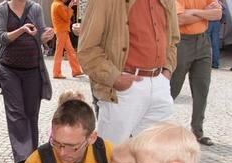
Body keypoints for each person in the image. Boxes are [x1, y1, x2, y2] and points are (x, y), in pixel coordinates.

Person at [77, 0, 180, 145]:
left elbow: (173, 38)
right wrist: (116, 79)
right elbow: (87, 50)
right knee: (111, 154)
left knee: (158, 153)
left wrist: (167, 70)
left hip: (159, 84)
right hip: (123, 87)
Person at [0, 0, 54, 163]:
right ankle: (22, 156)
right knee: (16, 111)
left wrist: (46, 36)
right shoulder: (2, 9)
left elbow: (40, 35)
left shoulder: (34, 8)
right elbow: (0, 37)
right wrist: (21, 30)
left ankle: (32, 153)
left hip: (33, 68)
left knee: (31, 112)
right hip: (9, 69)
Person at [170, 0, 222, 147]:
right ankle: (158, 128)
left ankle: (197, 131)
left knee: (202, 88)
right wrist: (206, 14)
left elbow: (218, 14)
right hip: (182, 42)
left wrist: (194, 12)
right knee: (172, 88)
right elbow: (179, 19)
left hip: (203, 41)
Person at [50, 0, 83, 79]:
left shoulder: (55, 4)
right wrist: (70, 7)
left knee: (69, 51)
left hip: (61, 30)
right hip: (62, 30)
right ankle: (57, 72)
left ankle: (76, 70)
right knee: (61, 52)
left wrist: (69, 7)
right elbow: (66, 17)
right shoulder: (59, 5)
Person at [207, 0, 225, 69]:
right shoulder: (218, 2)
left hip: (208, 22)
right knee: (215, 44)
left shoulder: (208, 2)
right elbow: (224, 9)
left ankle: (207, 62)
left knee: (206, 44)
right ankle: (215, 63)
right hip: (217, 22)